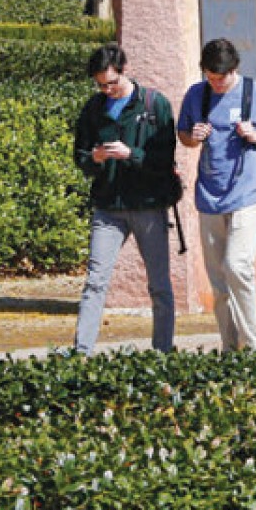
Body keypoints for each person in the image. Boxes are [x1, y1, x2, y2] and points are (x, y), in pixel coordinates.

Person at [176, 38, 256, 351]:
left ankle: (253, 344)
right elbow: (184, 135)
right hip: (209, 194)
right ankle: (231, 349)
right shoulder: (197, 94)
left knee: (237, 265)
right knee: (218, 281)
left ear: (235, 70)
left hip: (248, 193)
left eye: (222, 78)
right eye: (211, 78)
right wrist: (193, 137)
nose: (217, 84)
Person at [72, 43, 179, 354]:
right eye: (101, 85)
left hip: (148, 206)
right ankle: (82, 352)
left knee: (159, 285)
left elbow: (165, 159)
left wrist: (132, 154)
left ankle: (163, 351)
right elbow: (80, 157)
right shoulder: (93, 108)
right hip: (108, 207)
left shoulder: (154, 104)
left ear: (124, 70)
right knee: (95, 282)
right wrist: (95, 158)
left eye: (112, 83)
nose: (107, 90)